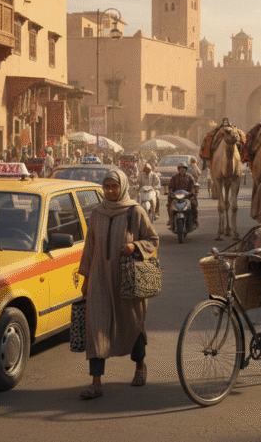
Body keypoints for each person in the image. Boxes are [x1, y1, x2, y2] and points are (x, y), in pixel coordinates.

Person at [77, 170, 158, 399]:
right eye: (107, 186)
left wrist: (135, 247)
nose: (110, 191)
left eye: (114, 186)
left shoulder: (135, 211)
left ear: (122, 187)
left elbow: (153, 240)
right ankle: (96, 382)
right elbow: (89, 248)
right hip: (100, 280)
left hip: (127, 280)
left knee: (132, 324)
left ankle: (140, 366)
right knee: (96, 327)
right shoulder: (97, 213)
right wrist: (85, 280)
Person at [166, 163, 198, 229]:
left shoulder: (189, 177)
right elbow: (170, 187)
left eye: (184, 169)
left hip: (187, 196)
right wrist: (171, 193)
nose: (183, 170)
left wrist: (192, 191)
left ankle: (195, 220)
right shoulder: (174, 178)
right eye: (181, 169)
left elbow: (193, 186)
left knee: (194, 204)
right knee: (169, 205)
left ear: (186, 170)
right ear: (179, 170)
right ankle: (171, 220)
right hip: (176, 196)